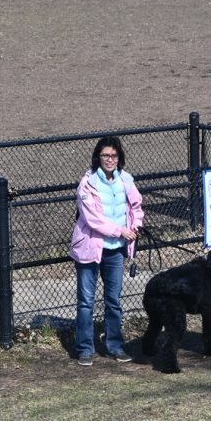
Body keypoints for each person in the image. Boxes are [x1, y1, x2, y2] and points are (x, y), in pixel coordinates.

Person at [70, 136, 143, 367]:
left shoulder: (126, 180)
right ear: (97, 158)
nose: (109, 160)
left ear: (119, 157)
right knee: (86, 302)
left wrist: (135, 226)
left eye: (113, 156)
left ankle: (115, 346)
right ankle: (84, 349)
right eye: (105, 156)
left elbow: (136, 207)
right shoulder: (88, 184)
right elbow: (92, 219)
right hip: (91, 248)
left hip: (116, 251)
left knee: (113, 300)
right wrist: (120, 231)